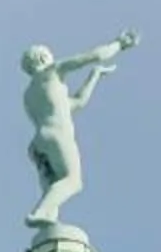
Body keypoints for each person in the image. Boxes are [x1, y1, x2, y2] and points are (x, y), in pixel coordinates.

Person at [21, 32, 138, 226]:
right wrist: (119, 44)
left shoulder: (30, 93)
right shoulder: (53, 71)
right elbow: (95, 55)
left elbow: (77, 103)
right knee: (73, 181)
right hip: (57, 135)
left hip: (38, 143)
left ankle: (48, 217)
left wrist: (94, 76)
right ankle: (39, 213)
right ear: (43, 58)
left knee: (55, 186)